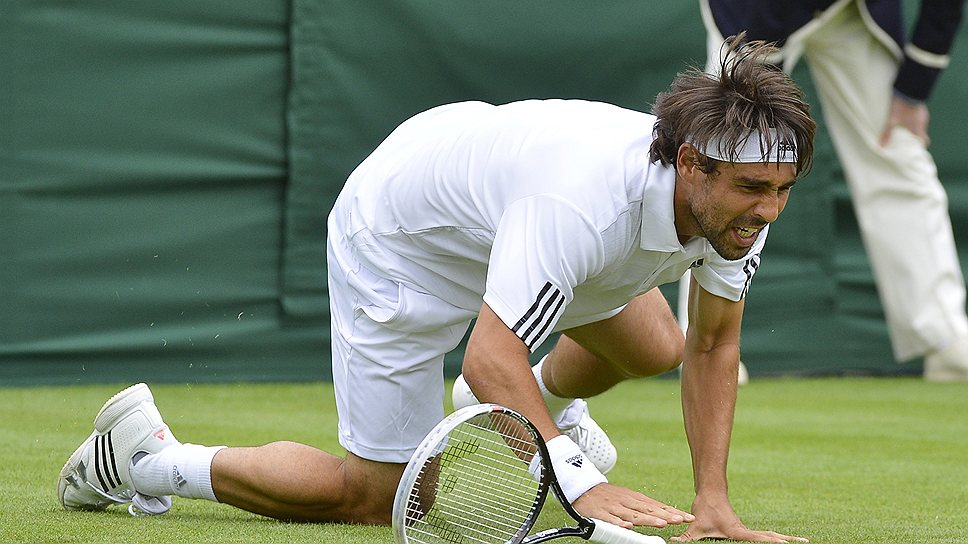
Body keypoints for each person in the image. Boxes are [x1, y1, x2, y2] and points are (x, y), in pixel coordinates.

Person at [58, 37, 816, 543]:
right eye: (754, 188)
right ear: (692, 165)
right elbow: (492, 355)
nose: (769, 211)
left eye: (783, 189)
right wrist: (575, 479)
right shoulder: (580, 206)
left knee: (657, 344)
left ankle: (527, 405)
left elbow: (713, 343)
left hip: (494, 214)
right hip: (401, 239)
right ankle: (145, 457)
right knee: (378, 499)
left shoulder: (736, 210)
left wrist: (713, 502)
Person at [698, 0, 968, 382]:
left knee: (897, 150)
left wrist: (913, 89)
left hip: (854, 13)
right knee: (727, 159)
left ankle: (944, 336)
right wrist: (754, 84)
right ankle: (704, 342)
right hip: (752, 14)